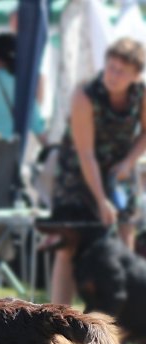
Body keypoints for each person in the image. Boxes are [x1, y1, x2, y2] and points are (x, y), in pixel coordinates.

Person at [49, 38, 146, 305]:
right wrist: (101, 199)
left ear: (136, 76)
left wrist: (128, 162)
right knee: (67, 244)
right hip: (78, 172)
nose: (112, 75)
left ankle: (124, 316)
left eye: (121, 71)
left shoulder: (141, 94)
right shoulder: (85, 95)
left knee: (125, 236)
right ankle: (57, 318)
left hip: (119, 171)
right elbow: (86, 154)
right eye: (110, 67)